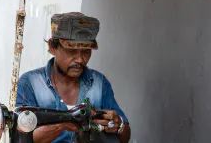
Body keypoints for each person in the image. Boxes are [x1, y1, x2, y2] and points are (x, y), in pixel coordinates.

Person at [16, 12, 131, 143]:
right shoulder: (31, 84)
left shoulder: (99, 83)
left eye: (86, 51)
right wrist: (64, 123)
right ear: (52, 47)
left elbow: (125, 137)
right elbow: (22, 138)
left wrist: (119, 125)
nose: (80, 60)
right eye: (71, 51)